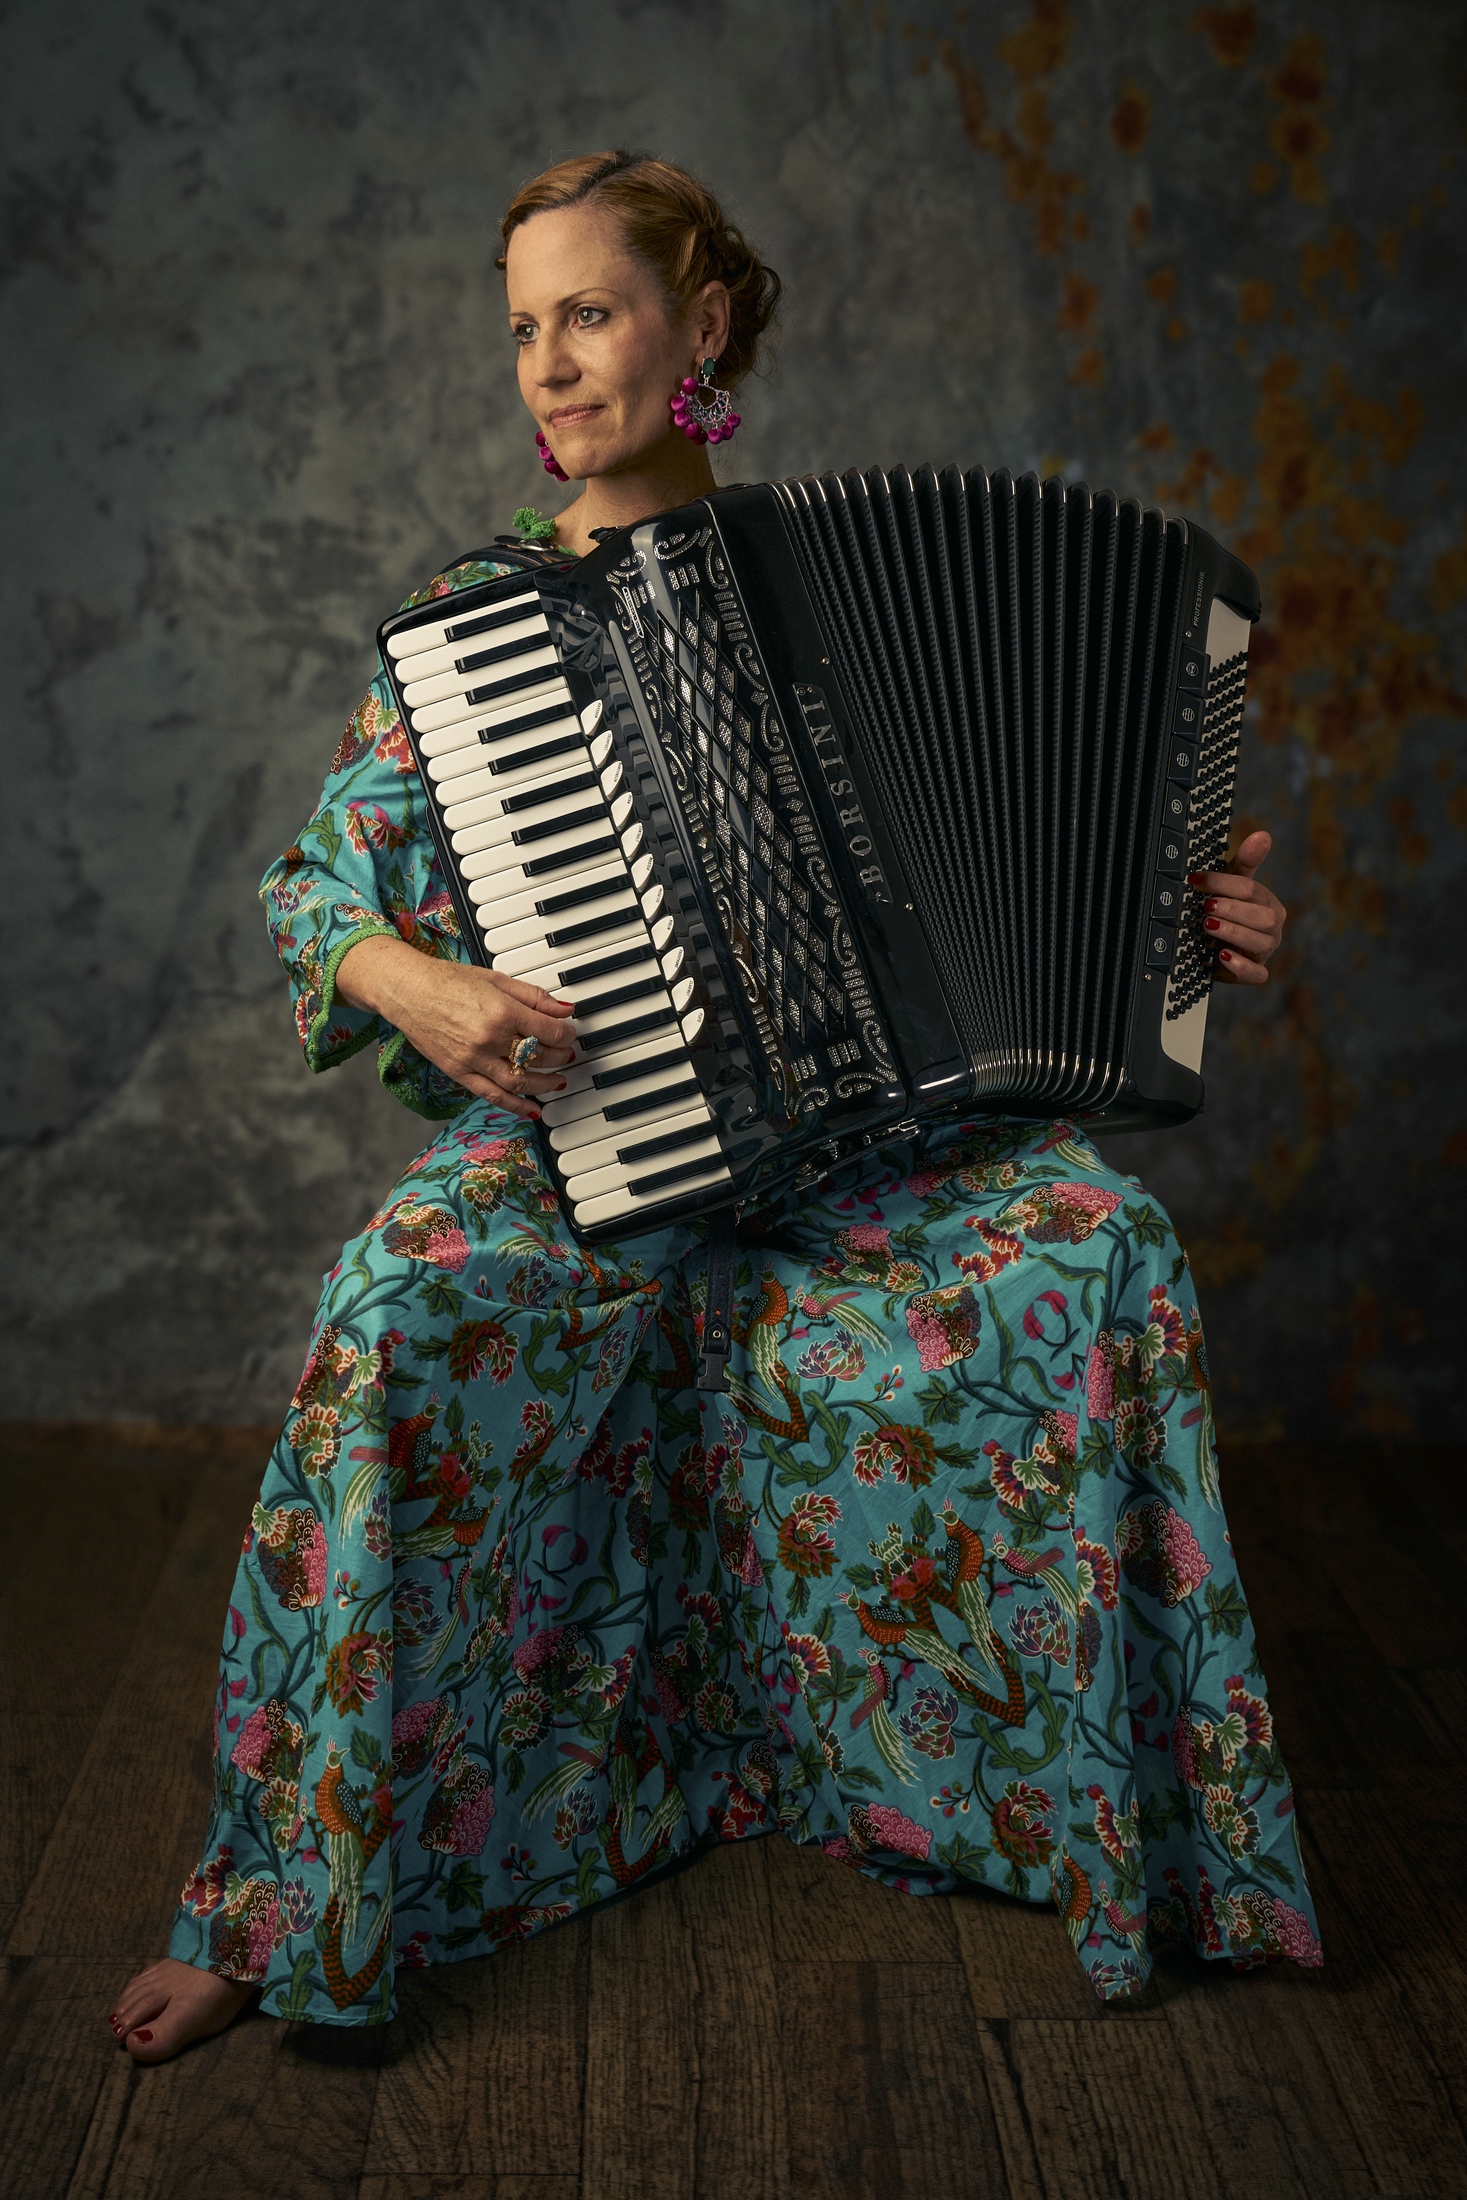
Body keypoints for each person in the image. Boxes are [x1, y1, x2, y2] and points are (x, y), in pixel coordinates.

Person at [107, 151, 1319, 2063]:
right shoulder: (478, 622)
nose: (547, 363)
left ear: (704, 325)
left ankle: (1159, 1850)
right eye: (524, 326)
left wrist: (1189, 923)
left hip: (883, 1152)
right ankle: (281, 1896)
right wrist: (419, 979)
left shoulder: (842, 576)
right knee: (389, 1304)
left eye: (589, 312)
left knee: (1106, 1252)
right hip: (592, 1134)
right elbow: (316, 896)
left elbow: (1053, 859)